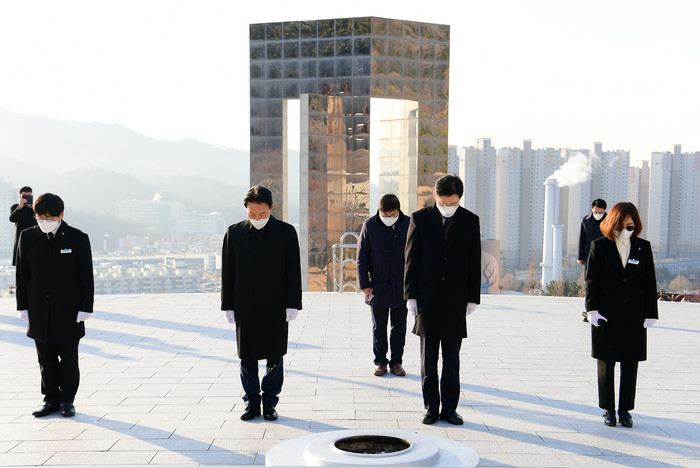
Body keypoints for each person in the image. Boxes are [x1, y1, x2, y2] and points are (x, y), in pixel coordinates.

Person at [404, 175, 481, 425]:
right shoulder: (420, 219)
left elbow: (474, 260)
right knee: (428, 359)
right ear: (435, 196)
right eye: (445, 202)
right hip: (427, 299)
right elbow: (411, 259)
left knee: (452, 359)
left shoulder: (470, 220)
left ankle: (450, 408)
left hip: (455, 300)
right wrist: (410, 295)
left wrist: (473, 298)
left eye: (454, 203)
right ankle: (430, 407)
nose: (449, 207)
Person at [221, 186, 302, 422]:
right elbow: (228, 271)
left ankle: (270, 403)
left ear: (271, 208)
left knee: (274, 355)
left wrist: (293, 303)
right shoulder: (234, 232)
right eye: (252, 214)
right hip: (244, 303)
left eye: (262, 214)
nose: (257, 218)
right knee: (246, 356)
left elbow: (293, 270)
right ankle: (251, 403)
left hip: (275, 303)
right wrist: (227, 305)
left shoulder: (286, 232)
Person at [15, 193, 94, 418]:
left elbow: (86, 276)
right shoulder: (27, 237)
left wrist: (86, 307)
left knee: (68, 358)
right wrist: (23, 306)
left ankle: (67, 400)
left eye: (49, 217)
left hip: (69, 309)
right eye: (40, 217)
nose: (44, 221)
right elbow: (22, 274)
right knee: (45, 359)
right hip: (39, 308)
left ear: (60, 215)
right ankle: (49, 399)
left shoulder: (77, 238)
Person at [585, 202, 658, 428]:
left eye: (631, 226)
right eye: (623, 226)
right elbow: (592, 281)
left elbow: (649, 281)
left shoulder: (642, 247)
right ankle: (608, 408)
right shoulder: (599, 246)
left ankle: (625, 410)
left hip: (634, 315)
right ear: (613, 224)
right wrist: (592, 310)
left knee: (630, 362)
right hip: (606, 314)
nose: (627, 230)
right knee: (606, 363)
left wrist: (651, 312)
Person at [356, 194, 410, 377]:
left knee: (399, 327)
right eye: (385, 215)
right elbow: (361, 257)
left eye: (392, 215)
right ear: (379, 211)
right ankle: (380, 362)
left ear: (398, 211)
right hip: (377, 285)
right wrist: (364, 283)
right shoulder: (370, 225)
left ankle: (396, 362)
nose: (388, 218)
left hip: (401, 285)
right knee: (378, 327)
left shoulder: (408, 224)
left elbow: (416, 255)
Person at [9, 186, 38, 266]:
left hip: (34, 238)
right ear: (20, 196)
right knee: (21, 264)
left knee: (35, 263)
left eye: (29, 195)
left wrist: (32, 207)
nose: (27, 197)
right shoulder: (16, 207)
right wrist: (20, 206)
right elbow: (12, 219)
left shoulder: (36, 208)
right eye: (24, 195)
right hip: (21, 239)